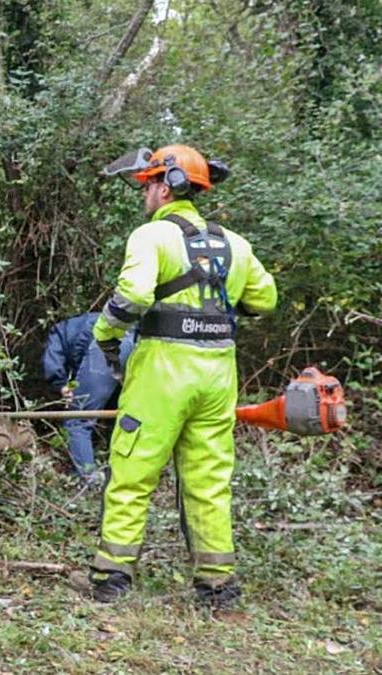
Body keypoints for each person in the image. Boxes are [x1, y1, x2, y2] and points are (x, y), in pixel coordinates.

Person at [84, 144, 276, 607]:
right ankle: (217, 587)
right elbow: (265, 300)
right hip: (217, 376)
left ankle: (111, 578)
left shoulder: (151, 237)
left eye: (147, 184)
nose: (143, 193)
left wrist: (105, 333)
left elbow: (131, 295)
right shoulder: (237, 244)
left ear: (165, 187)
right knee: (209, 481)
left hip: (163, 373)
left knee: (132, 471)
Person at [42, 312, 135, 483]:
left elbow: (52, 360)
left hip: (105, 346)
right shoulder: (83, 322)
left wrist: (60, 385)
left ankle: (88, 480)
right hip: (136, 344)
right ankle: (124, 477)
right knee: (124, 417)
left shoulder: (57, 332)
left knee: (78, 418)